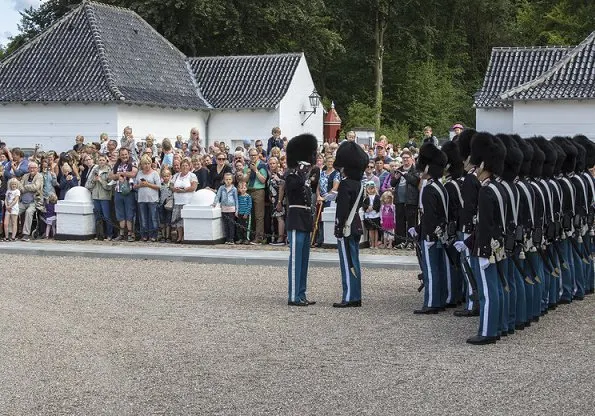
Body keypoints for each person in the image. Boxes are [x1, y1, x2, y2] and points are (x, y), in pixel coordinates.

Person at [464, 133, 508, 345]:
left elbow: (485, 224)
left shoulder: (486, 191)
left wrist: (482, 250)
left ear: (483, 163)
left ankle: (488, 331)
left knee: (487, 292)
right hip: (497, 245)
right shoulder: (498, 187)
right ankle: (496, 326)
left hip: (487, 247)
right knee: (495, 288)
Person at [410, 143, 449, 314]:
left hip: (431, 235)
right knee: (438, 268)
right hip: (438, 232)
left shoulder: (429, 190)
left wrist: (426, 235)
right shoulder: (440, 187)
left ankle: (432, 302)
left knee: (431, 270)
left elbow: (430, 216)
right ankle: (438, 299)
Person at [332, 141, 368, 308]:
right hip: (356, 224)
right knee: (355, 261)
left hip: (346, 226)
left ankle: (349, 296)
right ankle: (356, 295)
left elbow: (342, 210)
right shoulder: (359, 184)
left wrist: (338, 227)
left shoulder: (346, 184)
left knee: (347, 263)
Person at [285, 134, 318, 306]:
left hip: (304, 219)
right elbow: (291, 187)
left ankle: (301, 293)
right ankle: (293, 296)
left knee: (304, 261)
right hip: (296, 218)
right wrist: (302, 173)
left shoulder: (302, 175)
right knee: (296, 260)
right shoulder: (292, 174)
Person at [390, 150, 419, 248]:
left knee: (411, 222)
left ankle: (411, 242)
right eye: (404, 158)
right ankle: (400, 242)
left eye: (407, 157)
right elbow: (392, 183)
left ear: (411, 159)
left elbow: (415, 181)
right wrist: (397, 177)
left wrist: (405, 175)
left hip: (411, 200)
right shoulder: (398, 169)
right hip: (399, 200)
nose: (405, 159)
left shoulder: (415, 170)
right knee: (400, 222)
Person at [110, 148, 138, 242]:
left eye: (126, 154)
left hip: (129, 192)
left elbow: (133, 173)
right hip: (118, 191)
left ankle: (130, 233)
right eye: (122, 155)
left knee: (130, 213)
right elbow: (111, 176)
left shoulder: (132, 163)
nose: (124, 156)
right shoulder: (116, 165)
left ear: (128, 154)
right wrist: (118, 176)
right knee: (120, 213)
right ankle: (121, 234)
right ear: (119, 155)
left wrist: (121, 174)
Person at [85, 155, 113, 240]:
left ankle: (109, 234)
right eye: (100, 160)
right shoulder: (95, 170)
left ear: (106, 161)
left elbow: (109, 186)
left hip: (105, 197)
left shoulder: (109, 171)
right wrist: (94, 180)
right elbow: (88, 185)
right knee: (97, 216)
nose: (101, 161)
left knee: (106, 216)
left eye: (103, 160)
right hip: (95, 196)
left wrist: (101, 181)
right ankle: (99, 234)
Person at [243, 148, 268, 244]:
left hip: (259, 191)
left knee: (259, 216)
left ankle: (259, 238)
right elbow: (245, 180)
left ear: (258, 155)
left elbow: (263, 180)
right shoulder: (247, 166)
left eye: (254, 155)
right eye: (251, 155)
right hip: (249, 191)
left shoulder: (262, 165)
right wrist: (248, 172)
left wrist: (256, 170)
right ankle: (251, 236)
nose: (253, 157)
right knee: (251, 215)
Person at [134, 154, 161, 242]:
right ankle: (144, 235)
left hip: (152, 199)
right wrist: (139, 185)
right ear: (141, 164)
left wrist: (148, 184)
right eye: (145, 164)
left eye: (148, 163)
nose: (147, 165)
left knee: (153, 218)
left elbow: (159, 186)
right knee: (143, 218)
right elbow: (134, 186)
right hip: (142, 199)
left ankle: (154, 235)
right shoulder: (139, 173)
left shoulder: (155, 173)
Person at [171, 159, 198, 243]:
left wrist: (184, 190)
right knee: (178, 220)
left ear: (189, 166)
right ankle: (179, 236)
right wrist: (175, 189)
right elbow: (171, 186)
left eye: (186, 165)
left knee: (185, 220)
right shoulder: (176, 175)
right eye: (183, 165)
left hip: (188, 201)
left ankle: (186, 236)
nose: (184, 167)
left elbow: (194, 187)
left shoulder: (192, 175)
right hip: (178, 201)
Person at [18, 162, 43, 241]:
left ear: (37, 169)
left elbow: (36, 187)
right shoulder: (25, 176)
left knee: (29, 212)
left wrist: (25, 187)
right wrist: (27, 188)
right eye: (30, 168)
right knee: (13, 211)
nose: (32, 169)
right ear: (28, 169)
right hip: (23, 201)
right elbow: (19, 186)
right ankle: (11, 233)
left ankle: (26, 234)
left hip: (34, 202)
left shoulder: (39, 176)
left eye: (34, 168)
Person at [212, 172, 239, 245]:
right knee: (225, 224)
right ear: (224, 180)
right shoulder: (221, 188)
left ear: (232, 180)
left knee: (231, 224)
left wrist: (237, 210)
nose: (228, 181)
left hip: (231, 208)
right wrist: (215, 203)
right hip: (224, 208)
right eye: (226, 179)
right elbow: (218, 196)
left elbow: (236, 199)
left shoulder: (234, 189)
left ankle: (231, 238)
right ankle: (227, 238)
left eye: (229, 179)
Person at [268, 157, 286, 245]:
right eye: (270, 163)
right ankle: (277, 237)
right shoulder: (271, 174)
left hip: (279, 199)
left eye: (273, 163)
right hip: (273, 199)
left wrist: (279, 202)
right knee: (276, 218)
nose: (272, 165)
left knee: (280, 218)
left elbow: (282, 188)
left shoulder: (279, 174)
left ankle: (281, 239)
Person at [363, 181, 381, 249]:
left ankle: (376, 244)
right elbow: (364, 205)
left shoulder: (377, 197)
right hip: (369, 216)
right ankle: (372, 243)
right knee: (370, 230)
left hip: (376, 215)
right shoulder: (366, 198)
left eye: (372, 188)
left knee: (376, 230)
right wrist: (366, 208)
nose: (371, 190)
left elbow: (378, 205)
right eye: (369, 188)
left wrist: (372, 208)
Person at [159, 168, 174, 243]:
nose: (166, 178)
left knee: (168, 220)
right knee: (162, 220)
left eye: (167, 176)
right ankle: (163, 235)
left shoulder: (172, 185)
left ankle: (168, 236)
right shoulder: (160, 185)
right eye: (164, 176)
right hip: (161, 204)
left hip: (169, 205)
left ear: (170, 176)